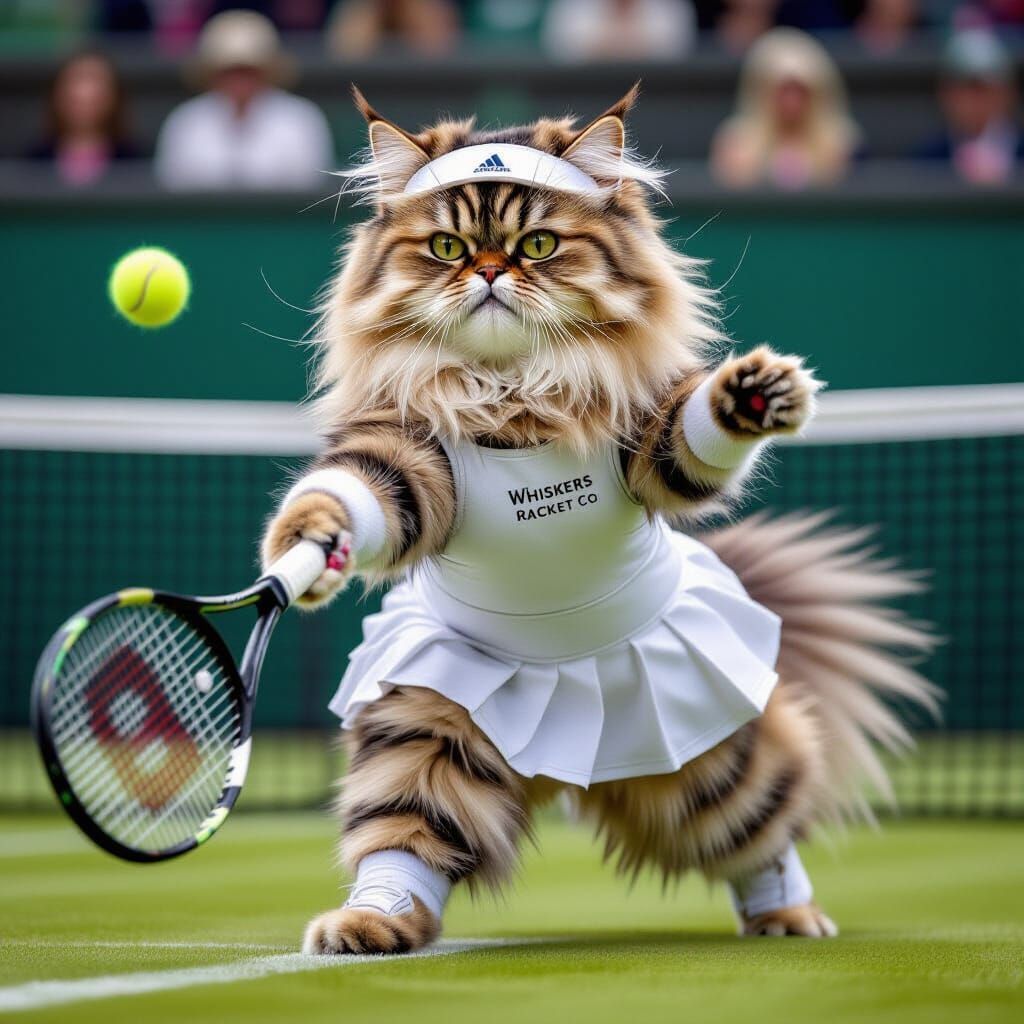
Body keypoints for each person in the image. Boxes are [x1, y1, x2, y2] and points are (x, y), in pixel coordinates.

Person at [154, 10, 334, 190]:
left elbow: (310, 191)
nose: (239, 81)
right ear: (212, 74)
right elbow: (171, 189)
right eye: (229, 72)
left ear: (266, 72)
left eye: (248, 71)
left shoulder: (301, 119)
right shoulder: (185, 122)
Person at [710, 28, 860, 188]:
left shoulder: (841, 140)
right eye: (783, 91)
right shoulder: (736, 141)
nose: (791, 101)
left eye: (799, 91)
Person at [916, 29, 1022, 185]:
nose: (974, 101)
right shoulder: (925, 160)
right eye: (965, 88)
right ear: (945, 94)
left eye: (984, 89)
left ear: (1008, 93)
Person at [28, 51, 141, 186]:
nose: (85, 92)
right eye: (76, 80)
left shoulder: (135, 162)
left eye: (96, 81)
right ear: (57, 93)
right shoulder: (32, 162)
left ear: (115, 95)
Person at [541, 0, 696, 60]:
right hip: (587, 98)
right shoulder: (572, 6)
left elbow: (675, 47)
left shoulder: (670, 7)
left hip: (657, 99)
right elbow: (562, 46)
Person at [327, 0, 461, 58]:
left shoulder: (435, 14)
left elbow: (439, 58)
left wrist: (407, 13)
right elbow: (344, 58)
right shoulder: (354, 13)